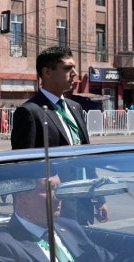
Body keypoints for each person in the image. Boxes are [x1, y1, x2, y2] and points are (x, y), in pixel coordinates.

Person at [10, 46, 109, 224]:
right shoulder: (30, 112)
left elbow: (86, 156)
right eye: (67, 68)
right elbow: (24, 168)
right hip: (55, 207)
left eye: (74, 67)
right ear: (47, 72)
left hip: (83, 202)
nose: (74, 73)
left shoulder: (75, 107)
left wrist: (99, 197)